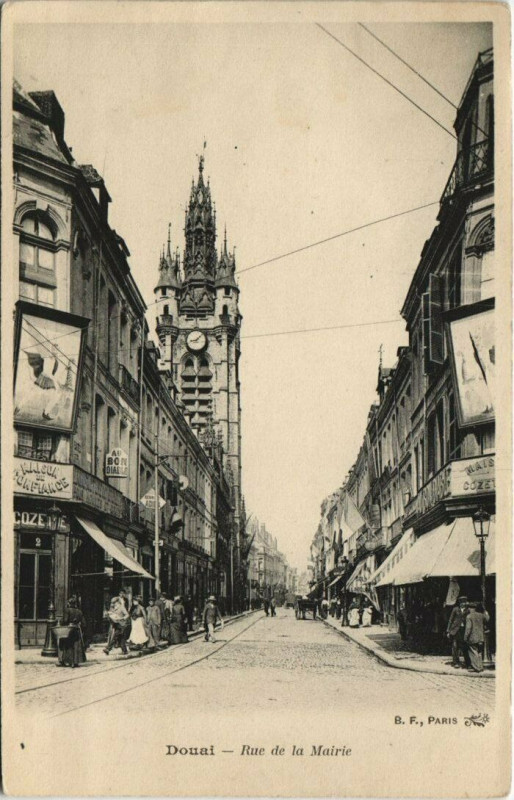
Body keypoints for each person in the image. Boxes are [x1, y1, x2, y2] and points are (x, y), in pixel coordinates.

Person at [56, 597, 86, 668]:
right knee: (76, 646)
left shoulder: (67, 610)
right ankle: (75, 662)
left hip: (68, 630)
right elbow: (84, 623)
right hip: (76, 630)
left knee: (64, 644)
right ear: (75, 604)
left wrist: (60, 622)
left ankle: (63, 661)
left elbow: (65, 620)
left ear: (69, 603)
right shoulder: (79, 611)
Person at [464, 602, 490, 673]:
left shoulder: (469, 616)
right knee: (479, 652)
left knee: (473, 652)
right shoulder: (481, 615)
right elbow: (487, 619)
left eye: (469, 608)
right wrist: (485, 611)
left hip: (472, 638)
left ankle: (477, 668)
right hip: (481, 637)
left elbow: (468, 628)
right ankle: (480, 667)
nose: (468, 609)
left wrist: (465, 637)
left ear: (470, 608)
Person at [446, 596, 470, 668]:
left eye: (464, 602)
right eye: (462, 602)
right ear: (459, 603)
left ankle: (467, 663)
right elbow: (450, 620)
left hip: (464, 630)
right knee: (455, 646)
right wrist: (448, 630)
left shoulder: (468, 610)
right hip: (455, 630)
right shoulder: (455, 609)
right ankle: (455, 662)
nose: (463, 604)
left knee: (464, 646)